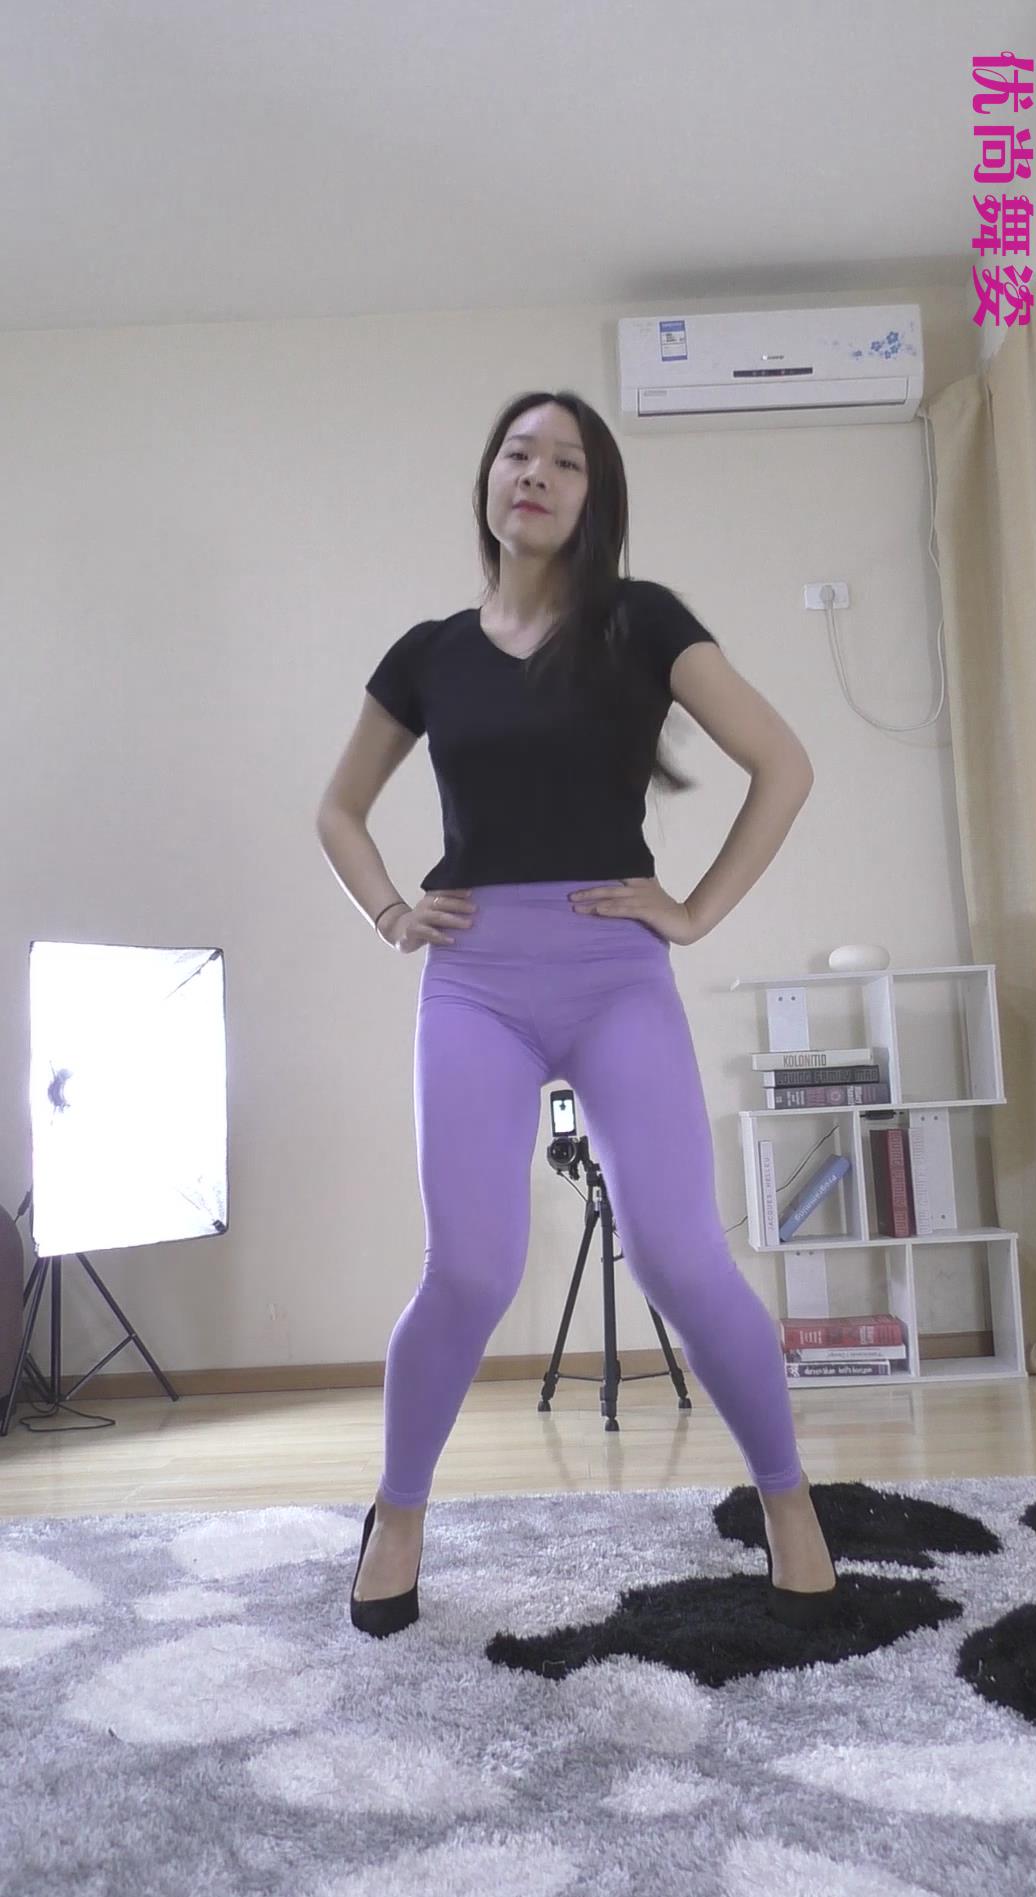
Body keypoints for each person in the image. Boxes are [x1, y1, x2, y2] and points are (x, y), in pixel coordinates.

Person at [316, 390, 839, 1639]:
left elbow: (786, 765)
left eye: (565, 460)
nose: (536, 473)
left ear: (593, 495)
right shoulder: (429, 653)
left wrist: (694, 910)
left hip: (614, 975)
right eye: (517, 453)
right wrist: (390, 912)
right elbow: (338, 810)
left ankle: (786, 1499)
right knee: (474, 1268)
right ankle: (399, 1515)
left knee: (678, 1256)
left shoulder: (641, 622)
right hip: (476, 979)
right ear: (490, 480)